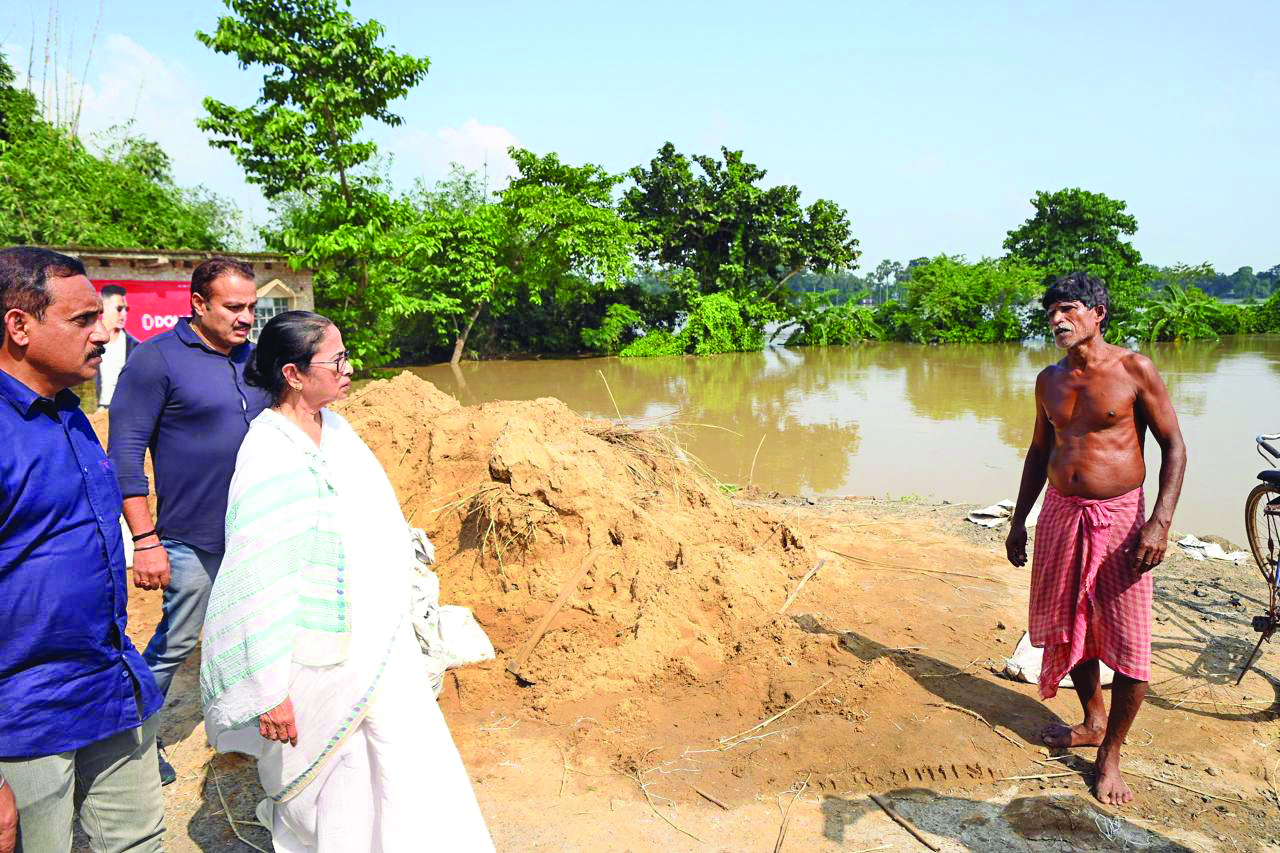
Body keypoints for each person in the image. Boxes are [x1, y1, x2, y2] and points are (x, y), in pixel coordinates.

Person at [200, 311, 494, 852]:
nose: (349, 368)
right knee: (340, 778)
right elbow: (256, 582)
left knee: (401, 755)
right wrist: (269, 692)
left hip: (379, 644)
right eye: (335, 360)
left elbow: (380, 523)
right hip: (316, 659)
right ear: (292, 373)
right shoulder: (268, 454)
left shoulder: (338, 430)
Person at [0, 247, 164, 852]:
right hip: (21, 719)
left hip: (110, 688)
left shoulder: (69, 414)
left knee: (139, 841)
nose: (104, 333)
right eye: (82, 320)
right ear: (19, 326)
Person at [1005, 272, 1186, 806]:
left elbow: (1174, 446)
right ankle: (1090, 719)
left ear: (1098, 312)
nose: (1057, 320)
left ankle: (1110, 753)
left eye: (1068, 309)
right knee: (1072, 624)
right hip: (1061, 514)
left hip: (1121, 519)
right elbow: (1039, 453)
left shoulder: (1135, 370)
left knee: (1128, 641)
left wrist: (1160, 522)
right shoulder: (1048, 381)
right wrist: (1019, 521)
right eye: (1050, 313)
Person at [108, 256, 269, 784]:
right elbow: (126, 454)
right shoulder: (157, 361)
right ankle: (130, 746)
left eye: (251, 306)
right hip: (191, 536)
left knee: (257, 633)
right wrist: (146, 539)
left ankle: (250, 730)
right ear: (198, 304)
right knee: (177, 642)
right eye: (233, 307)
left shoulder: (258, 361)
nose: (246, 317)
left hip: (254, 531)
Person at [94, 284, 139, 409]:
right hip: (94, 413)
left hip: (125, 412)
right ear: (104, 307)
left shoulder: (135, 347)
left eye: (126, 309)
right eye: (119, 309)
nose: (124, 314)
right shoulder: (88, 342)